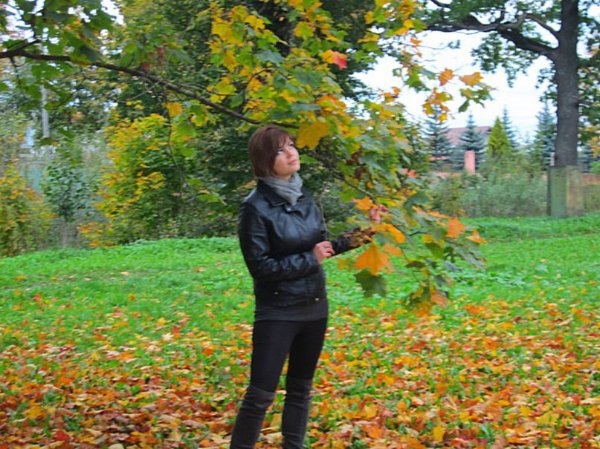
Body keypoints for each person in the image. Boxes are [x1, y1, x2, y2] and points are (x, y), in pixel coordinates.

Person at [230, 124, 367, 448]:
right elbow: (260, 268)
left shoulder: (305, 198)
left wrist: (367, 232)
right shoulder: (254, 207)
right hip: (278, 311)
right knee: (260, 396)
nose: (291, 153)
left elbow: (325, 247)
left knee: (300, 390)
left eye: (291, 145)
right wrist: (310, 258)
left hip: (315, 308)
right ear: (264, 160)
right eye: (280, 150)